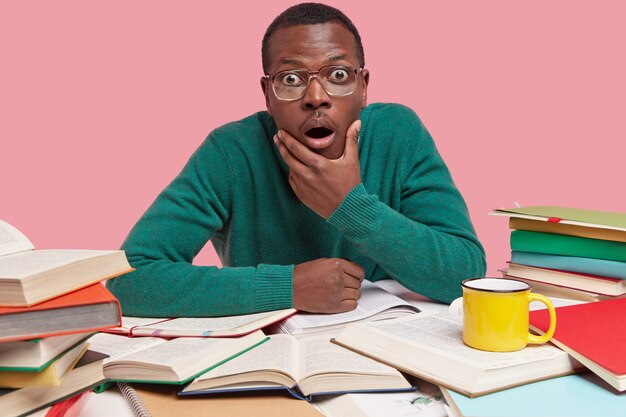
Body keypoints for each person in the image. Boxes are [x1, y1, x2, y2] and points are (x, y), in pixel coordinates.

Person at [107, 3, 486, 317]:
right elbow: (128, 279)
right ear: (268, 94)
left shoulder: (398, 133)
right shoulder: (230, 152)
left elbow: (467, 274)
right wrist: (286, 287)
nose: (316, 97)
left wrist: (350, 207)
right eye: (291, 79)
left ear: (364, 87)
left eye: (338, 74)